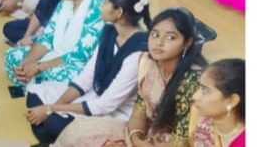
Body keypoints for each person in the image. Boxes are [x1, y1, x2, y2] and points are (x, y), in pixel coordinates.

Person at [26, 0, 151, 145]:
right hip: (95, 96)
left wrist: (51, 109)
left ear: (118, 12)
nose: (100, 6)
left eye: (105, 2)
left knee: (52, 123)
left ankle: (58, 134)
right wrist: (55, 106)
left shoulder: (139, 52)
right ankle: (57, 134)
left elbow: (107, 104)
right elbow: (87, 77)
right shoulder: (110, 31)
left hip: (116, 111)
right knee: (34, 95)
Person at [57, 8, 206, 146]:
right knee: (77, 131)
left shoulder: (193, 81)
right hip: (145, 136)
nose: (159, 42)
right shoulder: (147, 63)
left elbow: (183, 139)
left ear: (187, 43)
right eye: (155, 35)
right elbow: (139, 112)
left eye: (171, 37)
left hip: (176, 143)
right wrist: (136, 138)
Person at [5, 0, 109, 88]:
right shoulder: (65, 1)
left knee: (57, 77)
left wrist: (38, 67)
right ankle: (36, 87)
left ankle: (37, 87)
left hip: (77, 65)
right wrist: (27, 62)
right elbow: (47, 38)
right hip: (55, 56)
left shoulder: (97, 9)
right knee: (12, 56)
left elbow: (80, 56)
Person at [190, 59, 244, 147]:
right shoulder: (203, 127)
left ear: (232, 100)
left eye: (205, 90)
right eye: (199, 87)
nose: (194, 96)